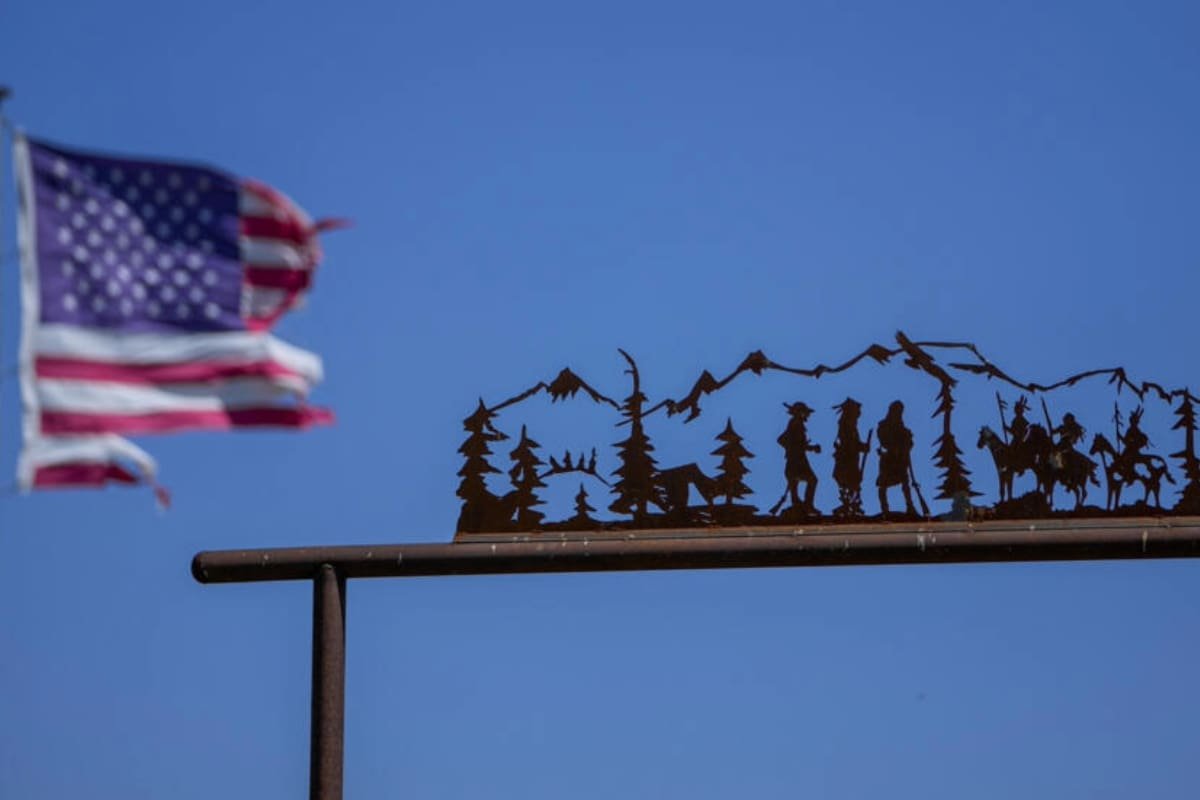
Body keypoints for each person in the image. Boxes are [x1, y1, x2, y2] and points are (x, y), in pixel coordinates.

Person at [777, 401, 820, 514]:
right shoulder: (795, 424)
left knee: (796, 482)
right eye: (805, 413)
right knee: (811, 480)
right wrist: (796, 448)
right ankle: (805, 505)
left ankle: (801, 504)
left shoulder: (796, 424)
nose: (807, 415)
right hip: (796, 460)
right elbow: (782, 440)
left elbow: (794, 443)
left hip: (797, 459)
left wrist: (805, 447)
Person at [876, 400, 916, 515]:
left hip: (900, 460)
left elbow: (909, 443)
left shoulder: (901, 427)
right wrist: (896, 446)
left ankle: (910, 506)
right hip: (888, 459)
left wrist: (907, 441)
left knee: (905, 482)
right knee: (883, 484)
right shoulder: (883, 426)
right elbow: (884, 442)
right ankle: (885, 509)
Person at [832, 398, 869, 516]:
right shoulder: (846, 425)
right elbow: (849, 443)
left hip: (850, 460)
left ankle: (851, 504)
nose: (859, 413)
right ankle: (849, 505)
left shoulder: (850, 425)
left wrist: (862, 447)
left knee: (853, 483)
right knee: (851, 482)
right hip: (847, 461)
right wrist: (862, 447)